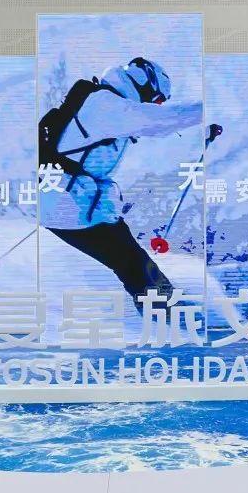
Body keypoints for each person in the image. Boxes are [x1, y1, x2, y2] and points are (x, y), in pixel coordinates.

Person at [39, 57, 201, 309]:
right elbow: (160, 121)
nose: (155, 105)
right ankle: (164, 315)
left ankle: (167, 307)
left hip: (76, 202)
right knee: (129, 261)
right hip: (67, 206)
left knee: (131, 257)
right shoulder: (106, 106)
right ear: (145, 85)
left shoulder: (104, 102)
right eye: (157, 100)